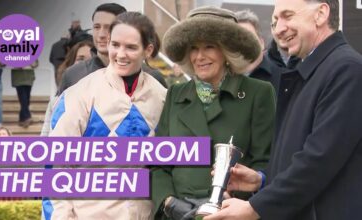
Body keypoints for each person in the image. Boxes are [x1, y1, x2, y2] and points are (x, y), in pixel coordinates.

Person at [204, 0, 362, 220]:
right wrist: (262, 180)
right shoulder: (309, 72)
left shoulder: (346, 70)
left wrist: (255, 208)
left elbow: (318, 161)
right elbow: (297, 155)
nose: (278, 29)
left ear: (321, 13)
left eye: (288, 16)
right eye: (276, 21)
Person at [151, 6, 276, 220]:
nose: (199, 56)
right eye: (193, 48)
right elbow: (158, 163)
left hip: (231, 213)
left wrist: (231, 197)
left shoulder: (259, 93)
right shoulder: (176, 93)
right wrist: (169, 202)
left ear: (227, 51)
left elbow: (266, 161)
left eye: (209, 46)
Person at [46, 12, 166, 219]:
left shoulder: (162, 97)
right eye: (115, 44)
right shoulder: (79, 94)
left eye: (131, 47)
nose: (120, 54)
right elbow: (56, 166)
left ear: (148, 49)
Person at [56, 3, 127, 95]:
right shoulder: (73, 74)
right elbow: (59, 108)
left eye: (109, 28)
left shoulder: (146, 75)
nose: (101, 35)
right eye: (97, 27)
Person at [41, 40, 94, 136]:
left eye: (91, 60)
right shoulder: (57, 101)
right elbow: (46, 135)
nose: (86, 64)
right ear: (71, 62)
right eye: (80, 59)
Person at [234, 9, 283, 93]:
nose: (243, 45)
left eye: (249, 38)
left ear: (261, 43)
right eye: (236, 40)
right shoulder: (217, 81)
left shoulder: (285, 79)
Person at [11, 60, 38, 128]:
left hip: (29, 79)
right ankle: (27, 117)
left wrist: (32, 63)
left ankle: (21, 120)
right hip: (18, 80)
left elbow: (36, 63)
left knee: (26, 100)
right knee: (24, 100)